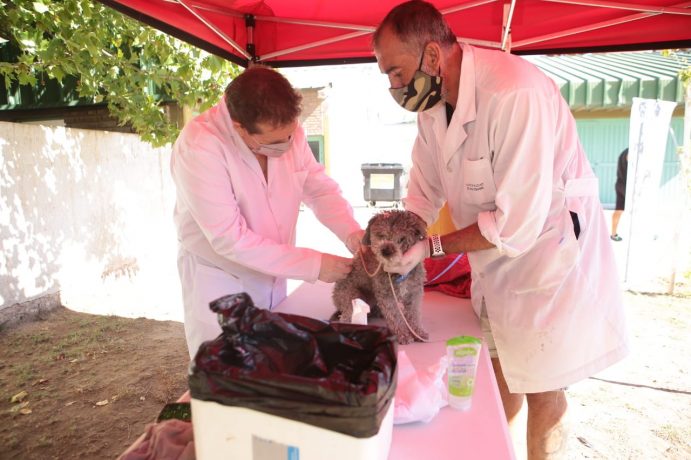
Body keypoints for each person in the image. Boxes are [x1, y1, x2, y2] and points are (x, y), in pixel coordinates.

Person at [372, 2, 629, 459]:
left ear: (432, 57)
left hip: (549, 259)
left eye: (396, 72)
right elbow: (422, 194)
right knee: (498, 370)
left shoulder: (515, 93)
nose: (393, 86)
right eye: (386, 76)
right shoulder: (432, 109)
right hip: (494, 262)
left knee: (544, 388)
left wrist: (429, 247)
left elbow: (517, 223)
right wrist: (396, 237)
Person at [171, 65, 364, 358]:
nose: (287, 146)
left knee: (274, 368)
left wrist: (354, 235)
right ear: (239, 127)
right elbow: (229, 238)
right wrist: (315, 265)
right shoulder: (200, 147)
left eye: (291, 135)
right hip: (222, 285)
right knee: (230, 380)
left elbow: (319, 190)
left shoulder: (287, 131)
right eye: (274, 142)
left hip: (274, 279)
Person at [611, 148, 628, 241]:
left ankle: (613, 234)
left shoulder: (623, 153)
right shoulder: (632, 153)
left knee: (619, 210)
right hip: (627, 186)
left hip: (619, 184)